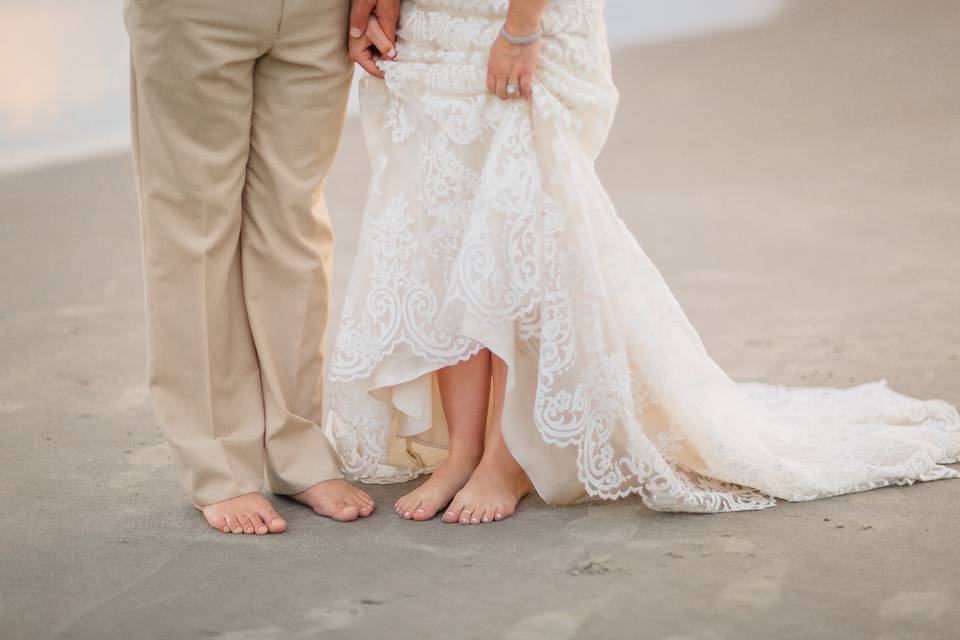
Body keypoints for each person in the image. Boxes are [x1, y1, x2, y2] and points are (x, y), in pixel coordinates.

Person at [328, 0, 960, 524]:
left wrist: (522, 25)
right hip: (433, 20)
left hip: (513, 18)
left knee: (514, 233)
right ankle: (462, 451)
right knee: (442, 231)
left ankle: (505, 457)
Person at [123, 0, 400, 534]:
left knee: (294, 222)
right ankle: (217, 463)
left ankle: (298, 448)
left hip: (323, 12)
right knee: (195, 228)